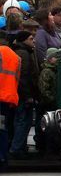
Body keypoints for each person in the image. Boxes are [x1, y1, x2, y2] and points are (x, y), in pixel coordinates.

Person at [9, 25, 39, 158]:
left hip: (21, 94)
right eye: (31, 38)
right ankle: (17, 149)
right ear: (24, 40)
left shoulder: (25, 52)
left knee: (22, 121)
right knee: (23, 121)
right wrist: (28, 96)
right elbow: (24, 77)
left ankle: (19, 147)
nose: (34, 41)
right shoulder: (24, 54)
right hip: (23, 95)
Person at [0, 37, 20, 170]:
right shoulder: (16, 57)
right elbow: (16, 79)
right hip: (8, 98)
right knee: (2, 128)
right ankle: (3, 158)